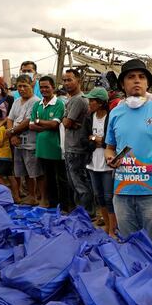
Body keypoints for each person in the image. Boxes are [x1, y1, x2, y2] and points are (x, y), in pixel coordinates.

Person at [105, 59, 152, 254]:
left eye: (141, 77)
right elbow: (109, 147)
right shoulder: (116, 112)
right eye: (131, 77)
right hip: (122, 192)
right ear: (122, 84)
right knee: (129, 246)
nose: (137, 81)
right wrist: (110, 157)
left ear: (147, 84)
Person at [83, 87, 116, 236]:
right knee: (99, 196)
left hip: (107, 163)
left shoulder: (111, 118)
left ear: (101, 102)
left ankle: (113, 228)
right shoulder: (89, 117)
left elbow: (112, 141)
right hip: (92, 162)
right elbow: (85, 138)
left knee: (109, 197)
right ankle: (107, 225)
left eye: (92, 100)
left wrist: (99, 141)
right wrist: (95, 140)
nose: (89, 103)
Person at [30, 75, 67, 207]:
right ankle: (52, 203)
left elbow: (54, 125)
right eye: (41, 87)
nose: (44, 90)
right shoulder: (37, 104)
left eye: (46, 87)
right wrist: (46, 125)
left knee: (61, 179)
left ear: (53, 88)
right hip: (42, 148)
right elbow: (30, 125)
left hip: (56, 148)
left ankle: (64, 205)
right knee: (48, 177)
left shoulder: (59, 104)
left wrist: (39, 122)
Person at [7, 74, 44, 205]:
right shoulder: (17, 101)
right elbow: (10, 119)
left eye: (25, 86)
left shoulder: (35, 101)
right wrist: (12, 135)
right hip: (17, 143)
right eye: (19, 86)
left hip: (30, 142)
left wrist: (12, 132)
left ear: (32, 85)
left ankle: (41, 198)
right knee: (24, 173)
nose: (22, 89)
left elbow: (28, 121)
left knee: (36, 173)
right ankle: (31, 196)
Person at [61, 69, 94, 213]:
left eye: (69, 79)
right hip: (71, 147)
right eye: (64, 80)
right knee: (74, 184)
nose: (66, 83)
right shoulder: (71, 99)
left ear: (78, 81)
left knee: (80, 184)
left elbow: (66, 123)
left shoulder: (79, 99)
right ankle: (81, 212)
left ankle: (86, 213)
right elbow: (65, 121)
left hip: (77, 148)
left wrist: (68, 121)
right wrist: (67, 121)